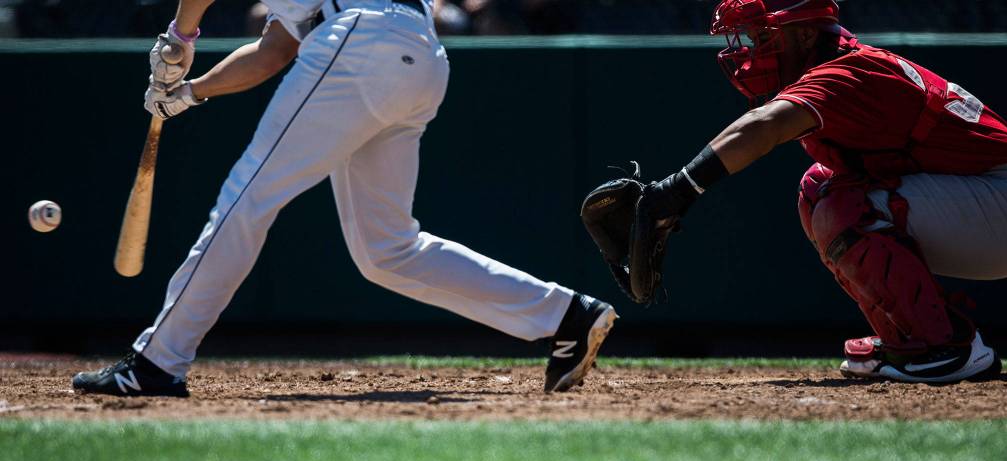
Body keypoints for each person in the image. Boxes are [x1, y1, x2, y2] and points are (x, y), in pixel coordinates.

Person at [73, 0, 616, 397]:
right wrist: (189, 93)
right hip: (421, 58)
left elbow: (236, 31)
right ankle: (567, 314)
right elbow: (273, 51)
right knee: (387, 250)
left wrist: (180, 35)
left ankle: (156, 361)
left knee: (246, 200)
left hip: (358, 42)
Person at [624, 0, 1007, 383]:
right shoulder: (840, 63)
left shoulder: (847, 72)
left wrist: (677, 190)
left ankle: (944, 349)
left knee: (844, 203)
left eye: (764, 37)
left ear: (804, 36)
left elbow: (762, 125)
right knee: (819, 187)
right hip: (993, 200)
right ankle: (910, 336)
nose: (751, 51)